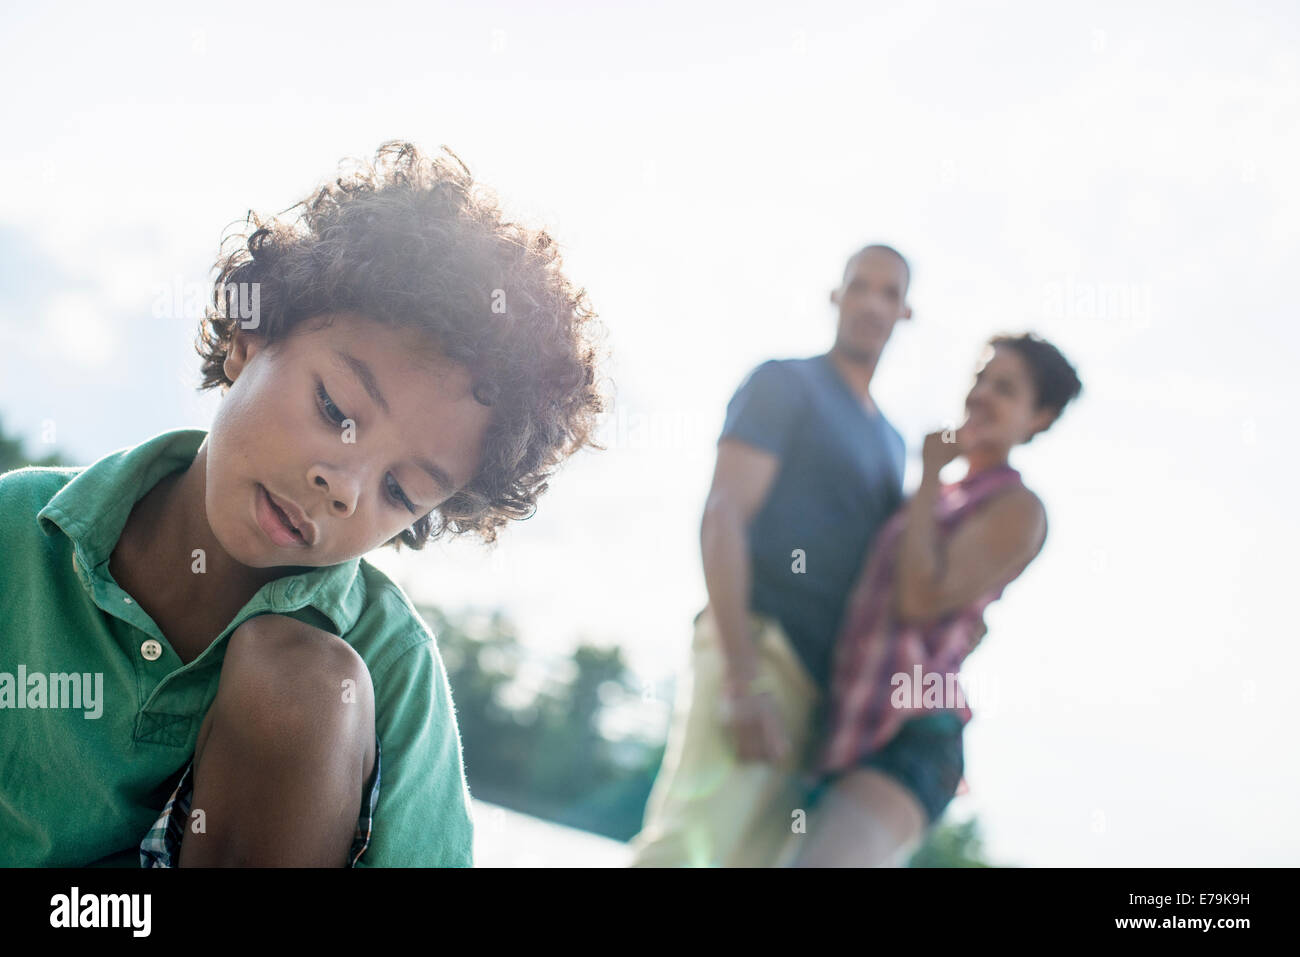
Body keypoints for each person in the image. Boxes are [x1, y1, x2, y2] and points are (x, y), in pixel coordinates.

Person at [0, 141, 605, 867]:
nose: (344, 485)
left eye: (399, 491)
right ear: (251, 338)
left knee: (306, 686)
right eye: (334, 407)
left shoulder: (390, 666)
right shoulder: (19, 531)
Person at [627, 244, 914, 867]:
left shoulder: (893, 445)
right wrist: (741, 674)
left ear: (905, 312)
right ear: (836, 297)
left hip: (822, 698)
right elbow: (723, 514)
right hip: (759, 650)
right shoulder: (785, 383)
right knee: (685, 849)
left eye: (888, 293)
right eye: (859, 286)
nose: (871, 302)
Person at [787, 332, 1082, 867]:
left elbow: (919, 601)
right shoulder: (941, 498)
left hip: (915, 737)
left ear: (1038, 417)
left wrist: (928, 474)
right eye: (980, 379)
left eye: (1006, 389)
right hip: (851, 724)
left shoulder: (1018, 507)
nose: (982, 395)